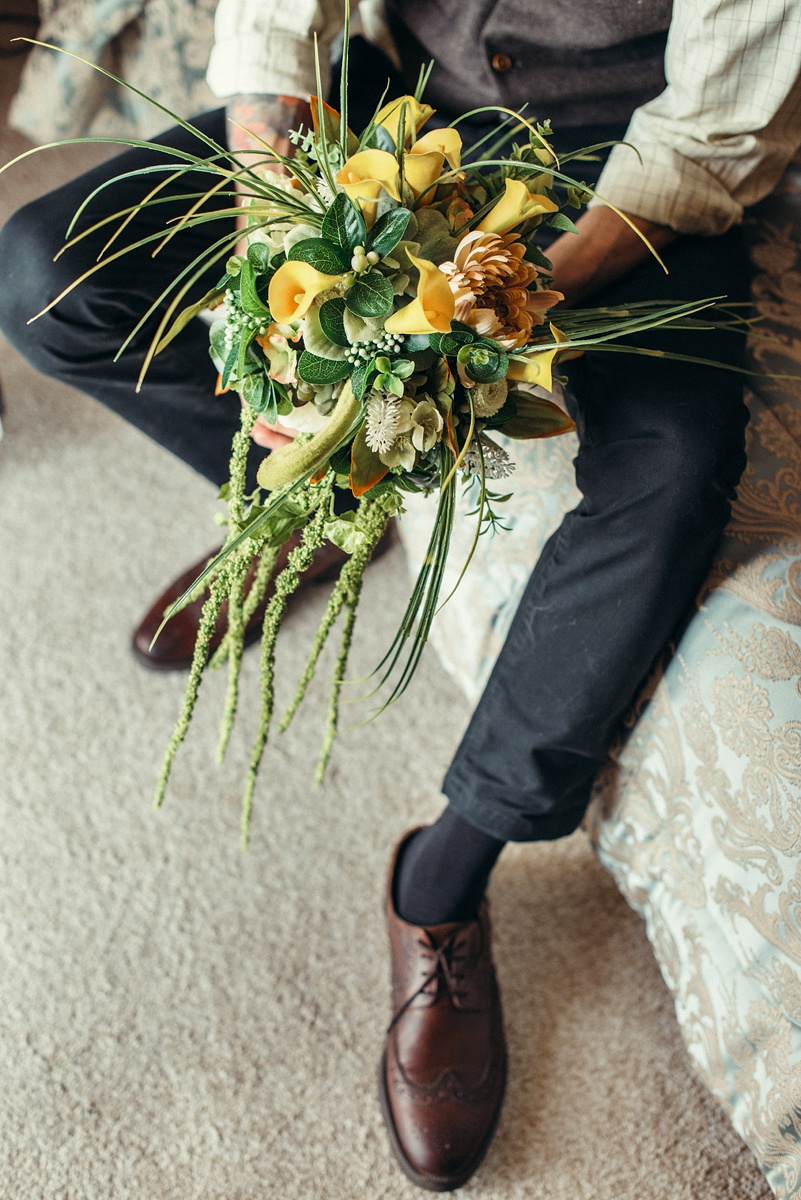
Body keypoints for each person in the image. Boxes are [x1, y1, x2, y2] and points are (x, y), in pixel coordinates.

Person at [1, 0, 800, 1190]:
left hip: (626, 163)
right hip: (402, 104)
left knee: (676, 479)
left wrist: (503, 305)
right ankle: (334, 492)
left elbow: (714, 136)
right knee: (45, 271)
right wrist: (283, 243)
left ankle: (442, 874)